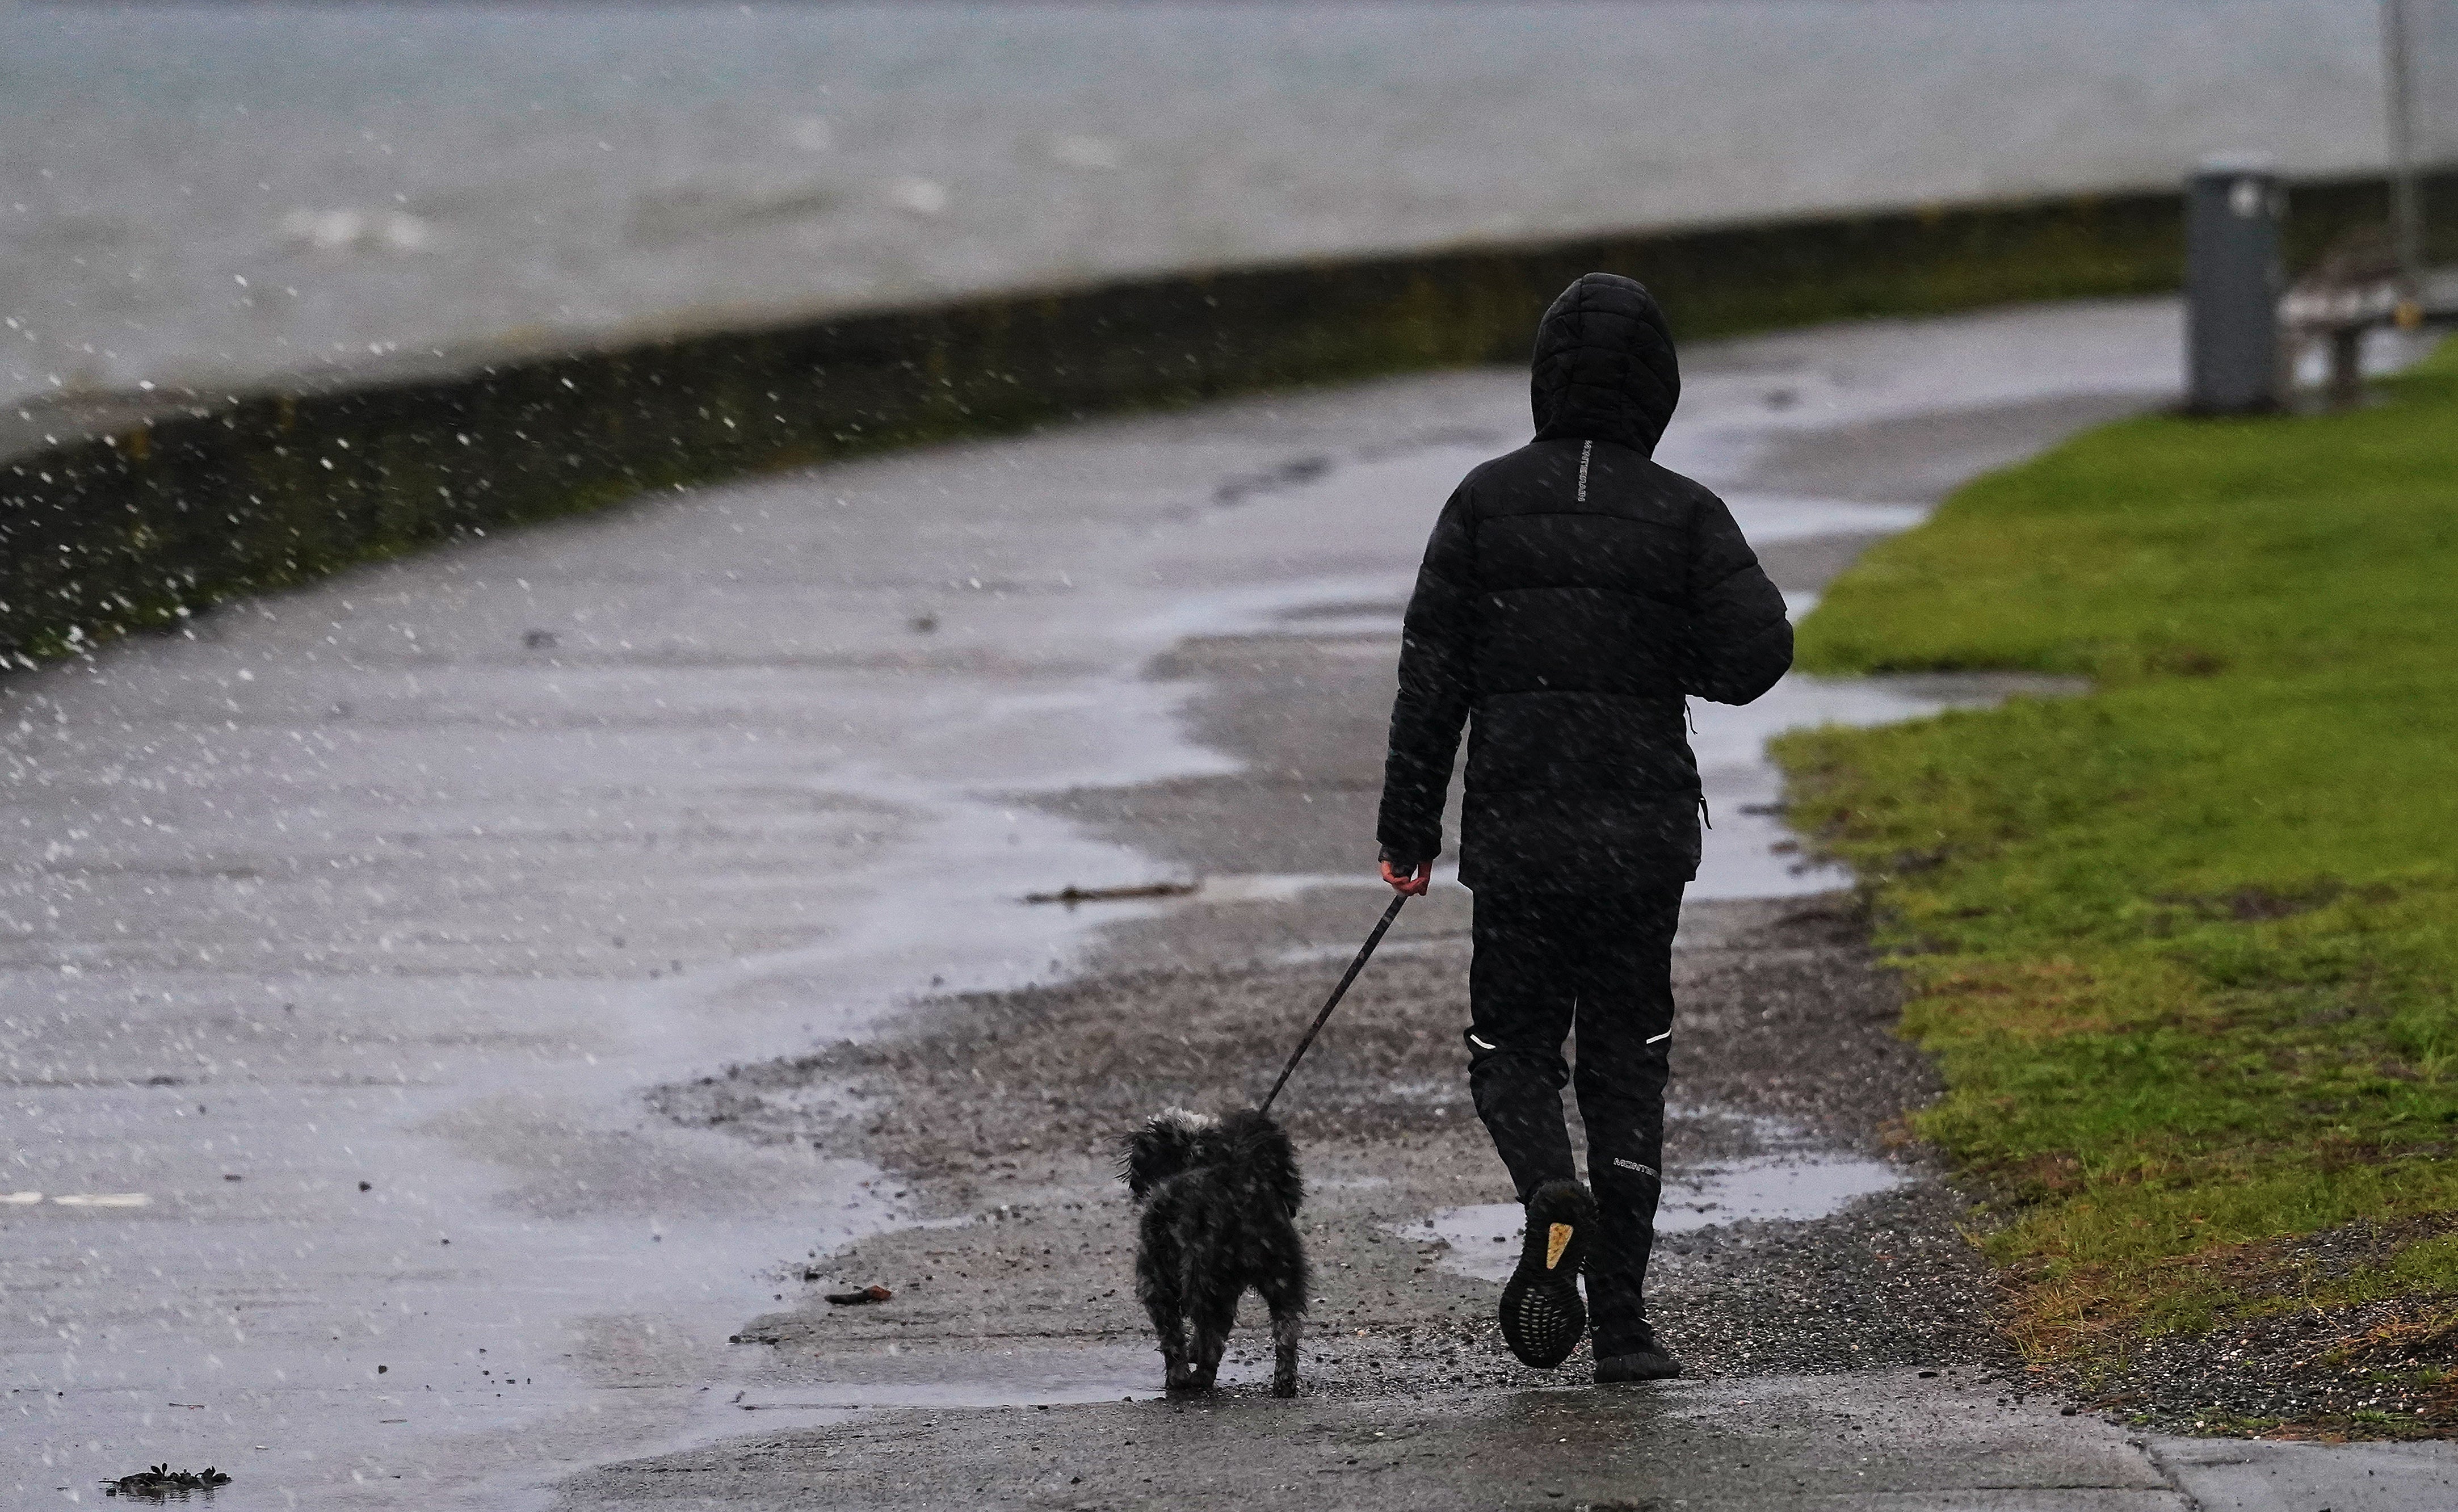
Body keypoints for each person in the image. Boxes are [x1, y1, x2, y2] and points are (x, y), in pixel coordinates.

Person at [1374, 272, 1791, 1383]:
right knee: (1627, 1062)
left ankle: (1547, 1194)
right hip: (1641, 843)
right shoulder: (1686, 512)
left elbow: (1431, 682)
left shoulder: (1480, 502)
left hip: (1518, 837)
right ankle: (1624, 1327)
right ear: (1659, 387)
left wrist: (1407, 830)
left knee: (1512, 1049)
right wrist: (1668, 658)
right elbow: (1760, 653)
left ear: (1544, 378)